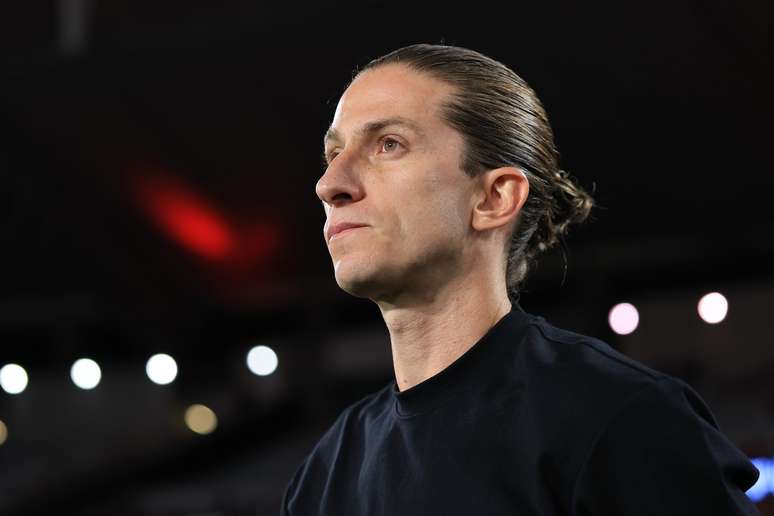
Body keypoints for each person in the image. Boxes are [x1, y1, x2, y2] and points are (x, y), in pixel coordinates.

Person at [281, 43, 760, 515]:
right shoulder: (325, 475)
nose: (329, 184)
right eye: (334, 153)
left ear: (494, 198)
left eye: (389, 144)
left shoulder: (619, 418)